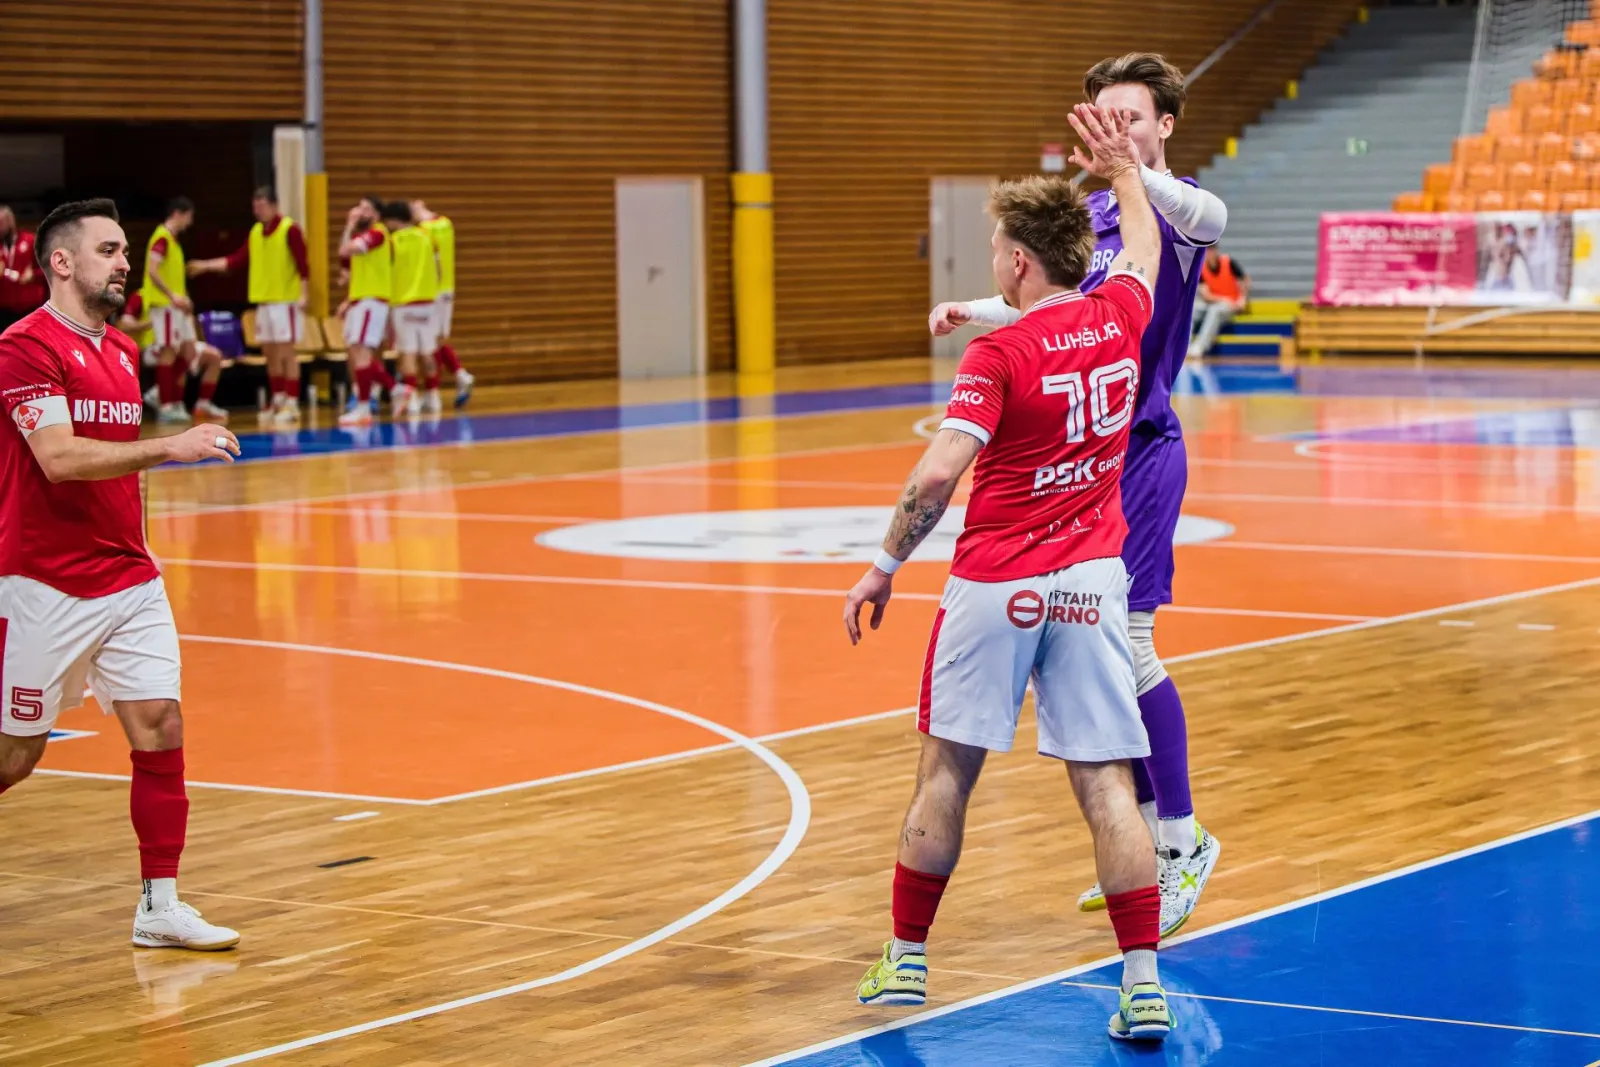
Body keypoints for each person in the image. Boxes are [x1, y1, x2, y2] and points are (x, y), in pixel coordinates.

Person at [846, 107, 1172, 1042]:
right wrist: (1124, 173)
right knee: (1108, 783)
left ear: (1020, 262)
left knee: (947, 769)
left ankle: (906, 955)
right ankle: (1142, 981)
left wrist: (883, 565)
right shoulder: (1119, 316)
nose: (992, 260)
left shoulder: (997, 352)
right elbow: (1144, 248)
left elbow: (937, 475)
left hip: (996, 583)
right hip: (1092, 584)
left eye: (996, 248)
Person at [929, 52, 1225, 936]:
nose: (1114, 131)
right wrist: (976, 309)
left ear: (1164, 124)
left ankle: (1182, 840)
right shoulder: (1094, 215)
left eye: (1129, 117)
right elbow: (1061, 299)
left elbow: (1207, 217)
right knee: (1095, 661)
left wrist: (1130, 169)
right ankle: (1150, 840)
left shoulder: (1178, 208)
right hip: (1084, 458)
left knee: (1131, 644)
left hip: (1142, 450)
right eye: (1102, 118)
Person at [0, 198, 243, 950]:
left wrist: (138, 541)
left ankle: (159, 905)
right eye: (108, 250)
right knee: (15, 756)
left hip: (128, 577)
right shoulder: (24, 344)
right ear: (61, 261)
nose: (124, 263)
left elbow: (116, 471)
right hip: (42, 582)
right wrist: (171, 446)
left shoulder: (124, 351)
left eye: (126, 252)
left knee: (161, 723)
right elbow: (59, 458)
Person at [188, 187, 309, 426]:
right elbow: (237, 260)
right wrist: (205, 266)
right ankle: (278, 398)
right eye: (255, 207)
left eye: (261, 206)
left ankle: (292, 402)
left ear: (274, 205)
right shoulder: (255, 232)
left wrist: (304, 295)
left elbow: (304, 266)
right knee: (270, 354)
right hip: (263, 303)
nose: (258, 211)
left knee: (286, 353)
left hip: (285, 302)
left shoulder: (290, 229)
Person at [139, 197, 203, 422]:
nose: (190, 222)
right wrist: (171, 295)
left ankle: (161, 392)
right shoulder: (162, 238)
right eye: (189, 216)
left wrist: (185, 298)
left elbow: (173, 277)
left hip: (177, 307)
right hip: (164, 305)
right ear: (178, 213)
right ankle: (167, 405)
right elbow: (152, 270)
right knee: (169, 351)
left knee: (189, 351)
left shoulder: (174, 242)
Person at [122, 291, 229, 424]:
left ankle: (202, 404)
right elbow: (124, 325)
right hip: (151, 346)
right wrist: (149, 324)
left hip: (179, 343)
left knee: (214, 356)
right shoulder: (141, 296)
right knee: (174, 352)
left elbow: (188, 325)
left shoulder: (179, 295)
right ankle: (169, 403)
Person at [411, 199, 474, 407]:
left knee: (429, 341)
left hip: (433, 291)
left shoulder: (424, 230)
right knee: (434, 340)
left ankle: (435, 391)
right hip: (445, 289)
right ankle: (456, 378)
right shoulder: (445, 224)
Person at [383, 200, 441, 417]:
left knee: (407, 353)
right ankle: (433, 396)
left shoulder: (393, 241)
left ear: (392, 220)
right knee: (427, 352)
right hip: (428, 301)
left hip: (404, 302)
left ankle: (412, 397)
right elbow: (438, 268)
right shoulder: (427, 237)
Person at [336, 199, 390, 427]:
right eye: (359, 208)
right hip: (359, 300)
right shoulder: (360, 236)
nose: (360, 212)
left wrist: (350, 224)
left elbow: (347, 249)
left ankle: (364, 406)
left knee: (363, 353)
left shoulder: (378, 233)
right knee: (355, 351)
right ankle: (395, 388)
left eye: (366, 209)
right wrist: (348, 301)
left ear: (376, 214)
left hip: (373, 300)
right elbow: (344, 258)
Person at [1188, 247, 1248, 359]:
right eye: (1207, 251)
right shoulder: (1201, 268)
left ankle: (1200, 347)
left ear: (1216, 250)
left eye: (1211, 250)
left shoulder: (1228, 262)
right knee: (1192, 309)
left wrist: (1242, 299)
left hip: (1231, 306)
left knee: (1215, 310)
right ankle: (1185, 345)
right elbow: (1206, 296)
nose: (1209, 253)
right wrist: (1224, 300)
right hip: (1217, 302)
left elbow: (1244, 279)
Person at [0, 206, 46, 332]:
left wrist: (34, 275)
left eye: (1, 223)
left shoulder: (30, 240)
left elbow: (48, 269)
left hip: (29, 308)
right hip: (4, 310)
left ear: (10, 222)